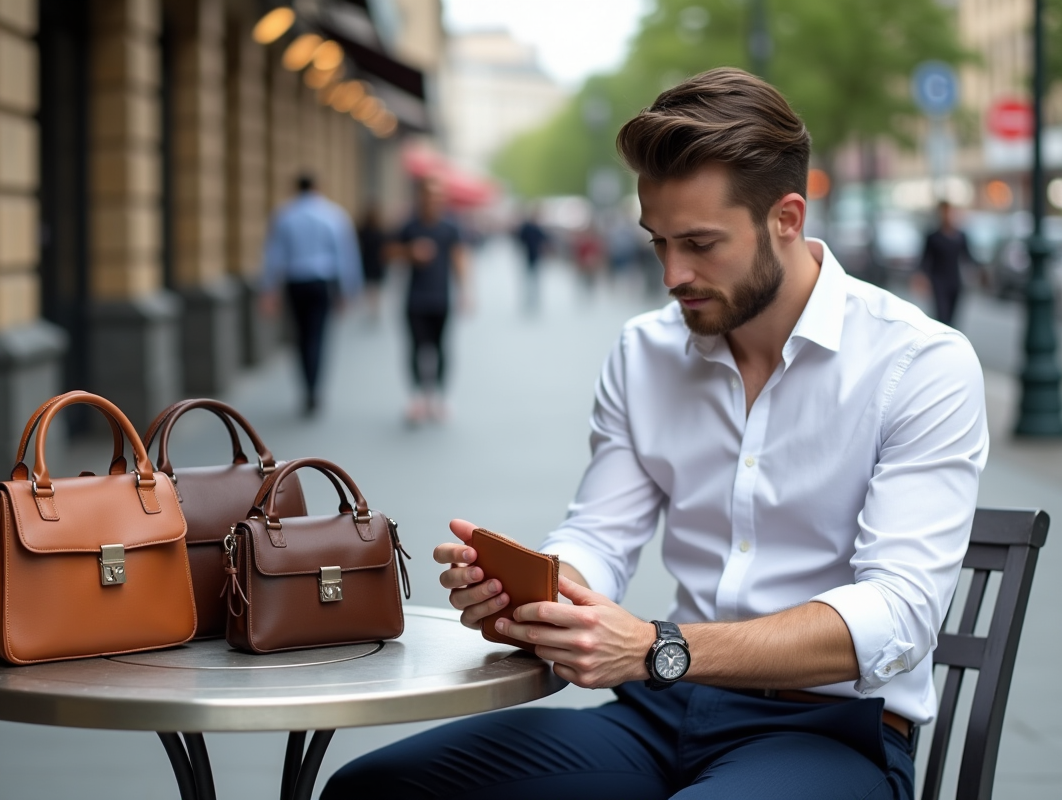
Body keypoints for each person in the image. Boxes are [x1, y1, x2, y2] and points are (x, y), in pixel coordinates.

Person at [324, 68, 987, 799]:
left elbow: (898, 615)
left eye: (701, 243)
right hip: (660, 715)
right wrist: (539, 595)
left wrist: (657, 647)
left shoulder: (919, 363)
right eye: (658, 242)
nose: (674, 274)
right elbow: (600, 539)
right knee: (377, 787)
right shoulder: (645, 353)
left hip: (830, 736)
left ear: (787, 218)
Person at [258, 173, 362, 417]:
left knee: (301, 337)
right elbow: (346, 255)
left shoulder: (284, 215)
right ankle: (314, 389)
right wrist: (348, 290)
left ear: (296, 188)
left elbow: (273, 255)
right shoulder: (333, 215)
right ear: (317, 187)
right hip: (322, 283)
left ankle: (306, 387)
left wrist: (268, 289)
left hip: (295, 283)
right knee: (318, 336)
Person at [394, 178, 470, 424]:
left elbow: (458, 257)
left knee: (441, 348)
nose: (433, 201)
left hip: (441, 298)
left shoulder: (449, 227)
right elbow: (388, 251)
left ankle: (438, 397)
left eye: (438, 197)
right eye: (429, 196)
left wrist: (465, 292)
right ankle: (417, 398)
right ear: (420, 198)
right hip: (415, 299)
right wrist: (410, 252)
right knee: (416, 348)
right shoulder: (409, 226)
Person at [919, 200, 974, 327]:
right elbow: (925, 259)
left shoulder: (960, 236)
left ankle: (951, 342)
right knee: (942, 316)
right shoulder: (933, 237)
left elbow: (969, 257)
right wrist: (922, 277)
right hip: (938, 281)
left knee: (953, 317)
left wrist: (980, 270)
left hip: (955, 281)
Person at [357, 202, 389, 324]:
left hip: (368, 261)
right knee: (375, 287)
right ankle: (375, 308)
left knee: (370, 287)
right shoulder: (380, 230)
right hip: (376, 262)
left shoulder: (363, 230)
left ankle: (372, 307)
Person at [516, 208, 549, 310]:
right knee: (530, 279)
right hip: (529, 256)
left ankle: (533, 299)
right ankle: (530, 299)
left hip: (534, 256)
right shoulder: (528, 227)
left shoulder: (533, 227)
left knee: (533, 279)